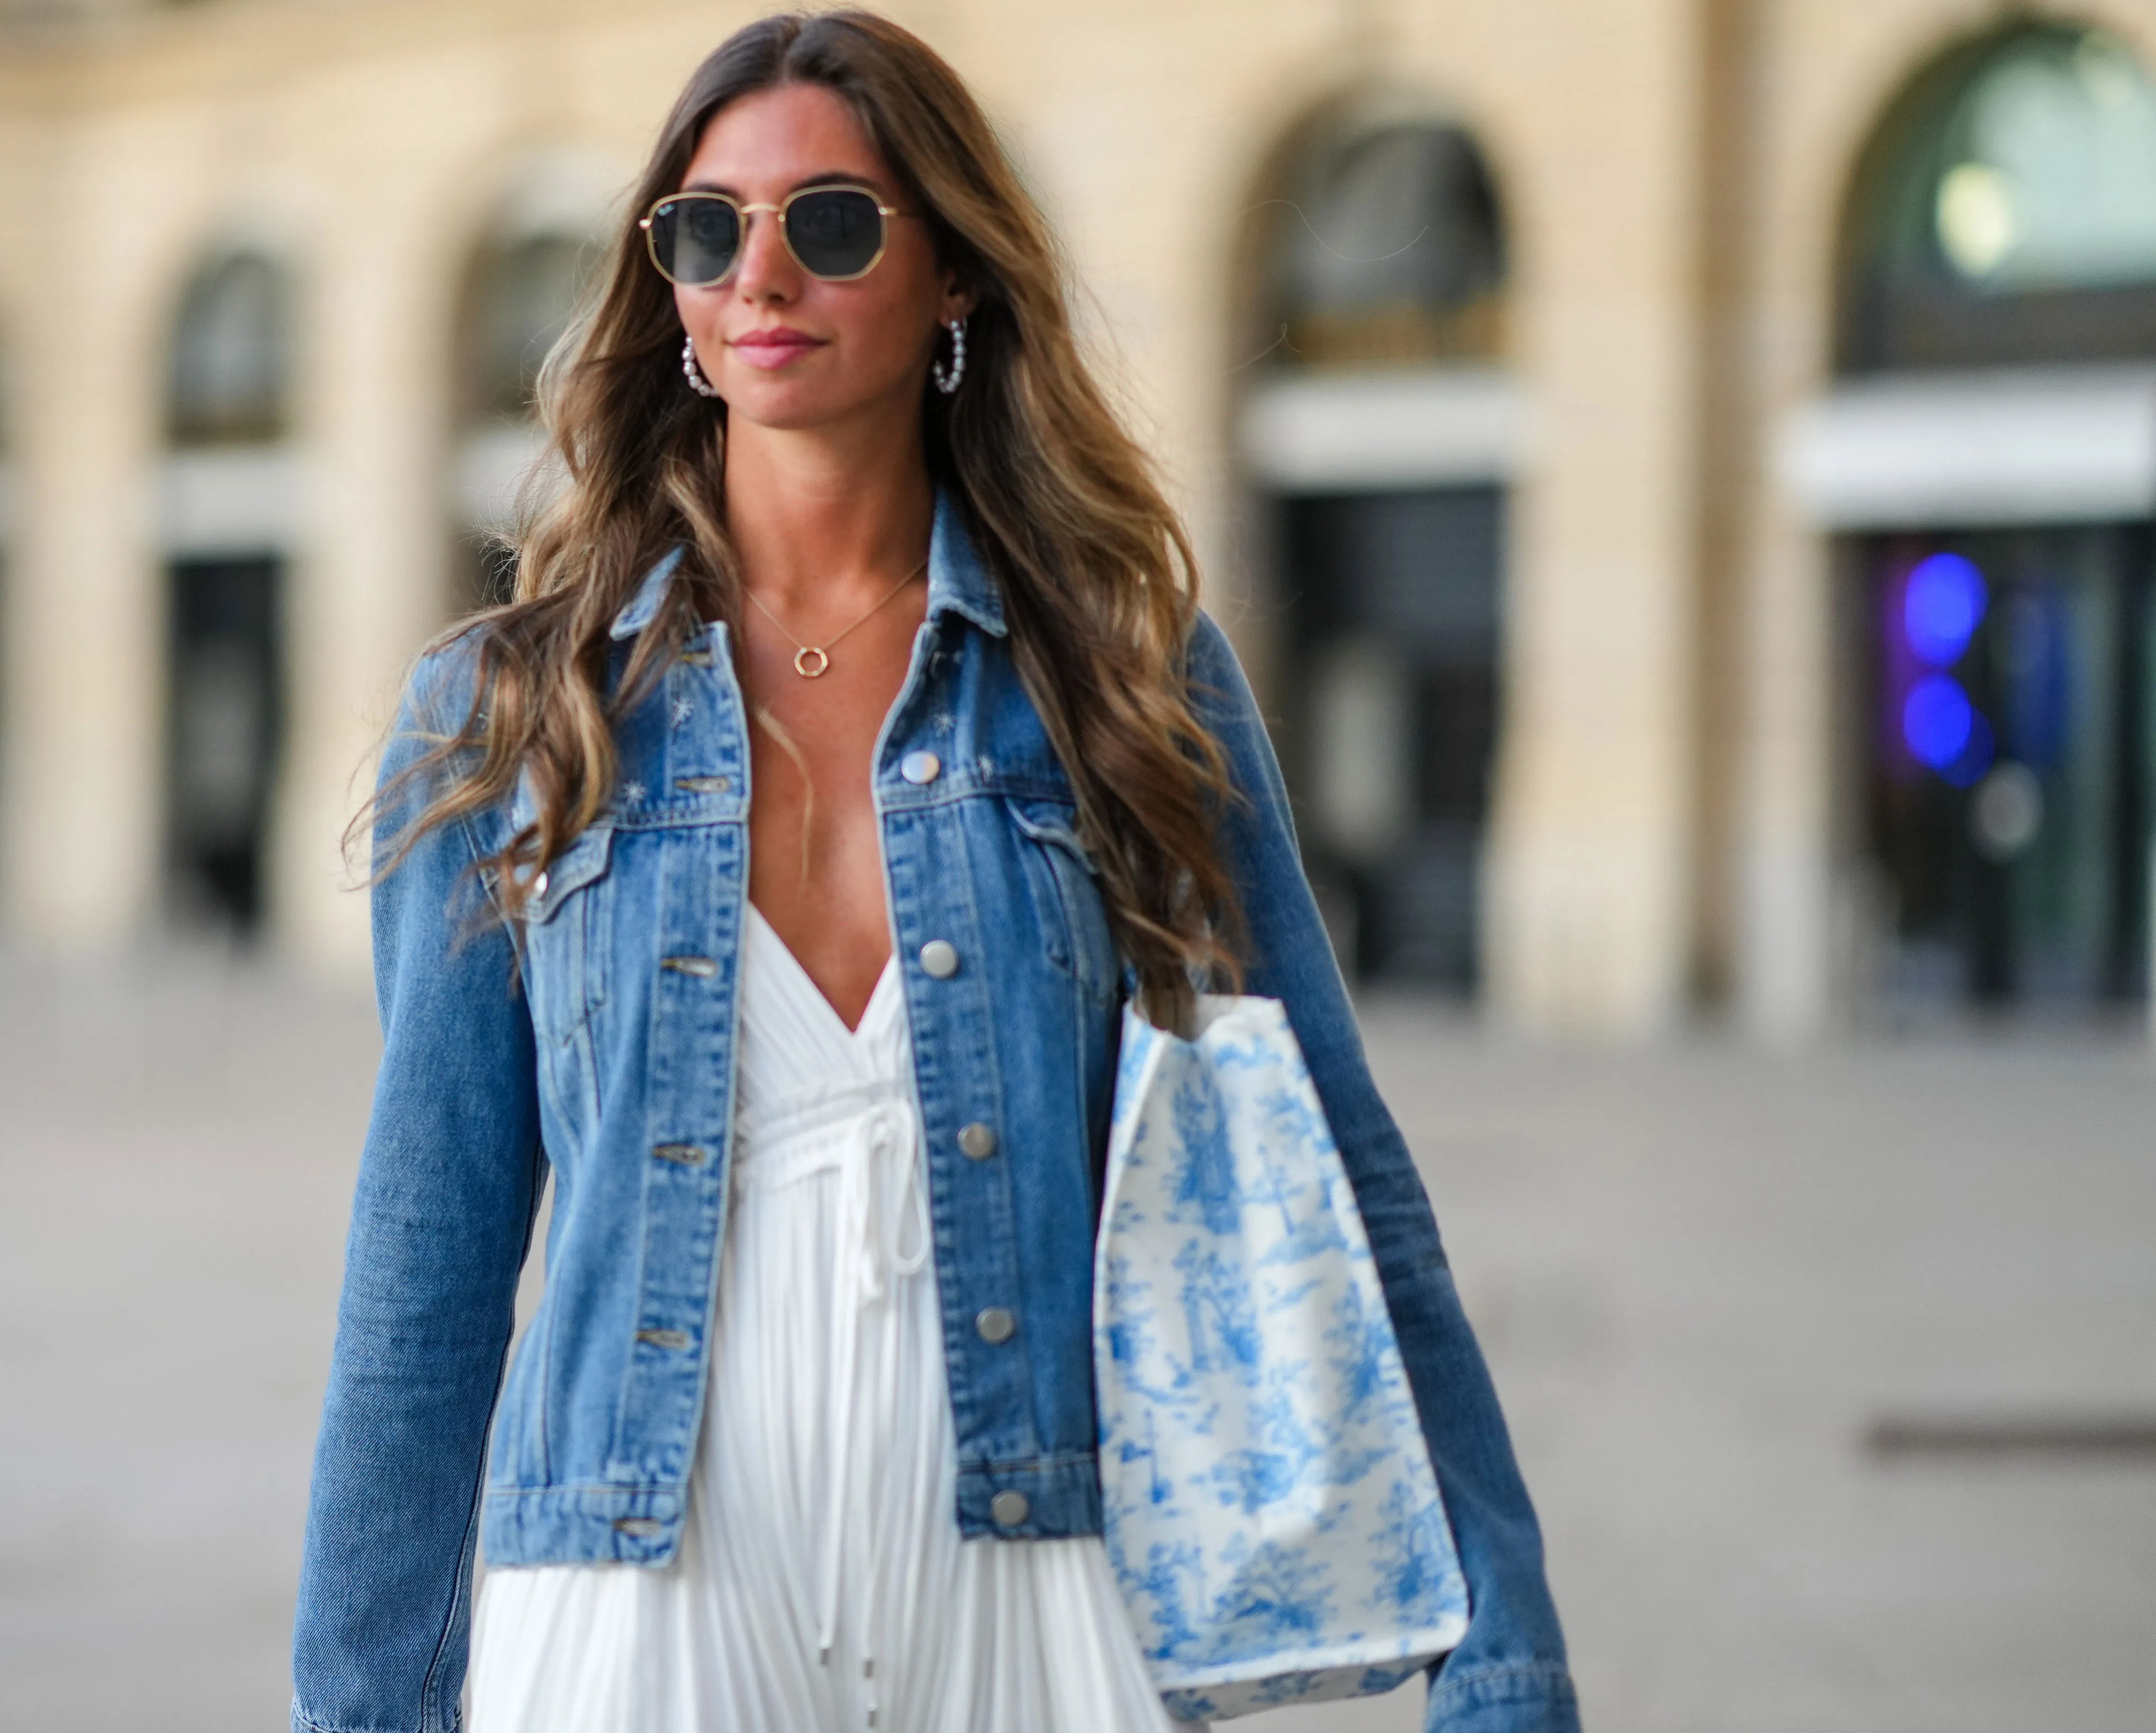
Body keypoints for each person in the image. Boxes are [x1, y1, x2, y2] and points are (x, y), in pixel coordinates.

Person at [290, 13, 1576, 1732]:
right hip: (631, 1604)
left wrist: (1502, 1662)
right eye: (706, 229)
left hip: (1034, 1592)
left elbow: (1340, 1166)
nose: (762, 273)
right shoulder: (518, 712)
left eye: (832, 222)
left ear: (954, 275)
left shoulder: (1123, 676)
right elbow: (424, 1284)